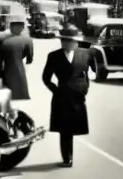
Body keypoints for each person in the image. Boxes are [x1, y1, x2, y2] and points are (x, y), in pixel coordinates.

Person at [42, 24, 95, 168]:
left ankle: (68, 156)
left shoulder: (85, 54)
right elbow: (46, 78)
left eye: (71, 41)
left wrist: (85, 88)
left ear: (76, 41)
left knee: (75, 127)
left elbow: (86, 75)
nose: (68, 43)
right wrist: (56, 91)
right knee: (65, 130)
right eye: (64, 41)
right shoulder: (54, 56)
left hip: (78, 97)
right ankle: (67, 158)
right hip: (62, 98)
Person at [0, 14, 34, 103]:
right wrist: (27, 60)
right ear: (22, 28)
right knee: (20, 78)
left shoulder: (3, 39)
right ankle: (21, 94)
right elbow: (29, 57)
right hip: (19, 63)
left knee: (7, 78)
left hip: (7, 65)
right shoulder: (27, 40)